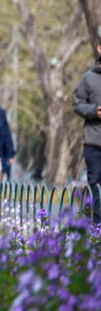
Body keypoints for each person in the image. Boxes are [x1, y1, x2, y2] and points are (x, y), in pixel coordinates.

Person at [72, 25, 101, 222]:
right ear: (99, 49)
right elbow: (77, 103)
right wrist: (94, 111)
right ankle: (97, 230)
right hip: (94, 143)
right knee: (97, 186)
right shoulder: (89, 78)